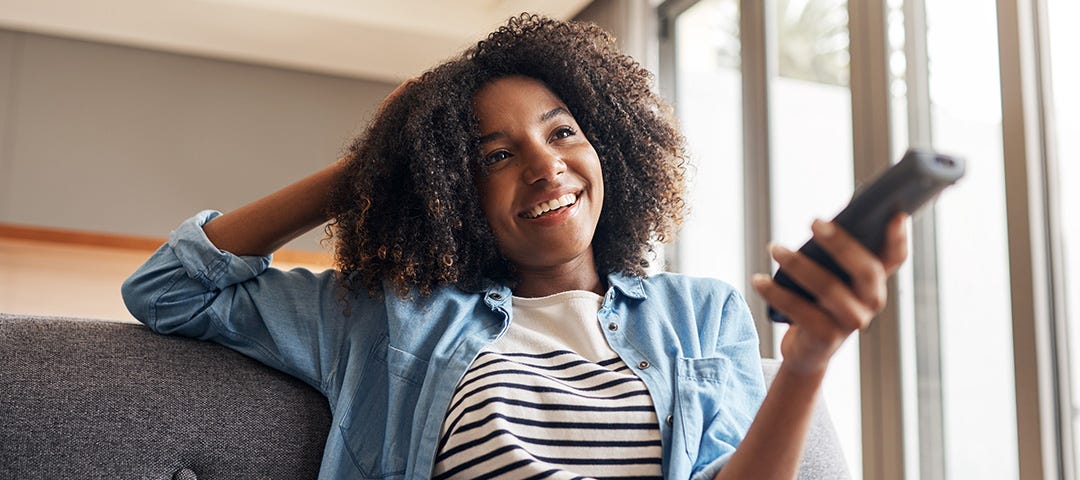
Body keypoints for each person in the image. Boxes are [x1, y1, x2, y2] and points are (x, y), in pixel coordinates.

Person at [122, 13, 908, 480]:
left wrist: (806, 361)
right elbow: (171, 289)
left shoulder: (701, 315)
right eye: (494, 155)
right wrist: (368, 167)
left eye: (563, 131)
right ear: (452, 191)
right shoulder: (388, 313)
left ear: (610, 149)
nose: (544, 165)